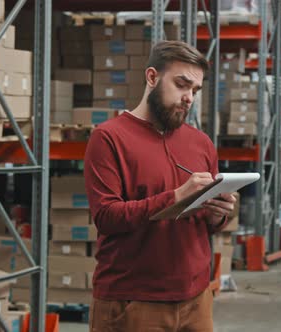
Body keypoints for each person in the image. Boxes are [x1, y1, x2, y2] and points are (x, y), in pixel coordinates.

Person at [84, 40, 236, 331]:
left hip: (197, 298)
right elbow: (106, 217)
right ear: (152, 77)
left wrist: (219, 213)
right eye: (181, 85)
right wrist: (177, 196)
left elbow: (205, 223)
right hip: (134, 301)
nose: (188, 97)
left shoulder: (201, 143)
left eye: (195, 90)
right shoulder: (108, 138)